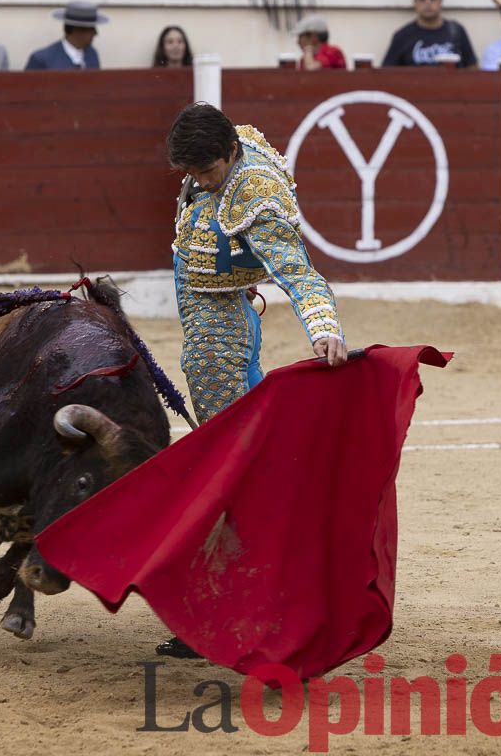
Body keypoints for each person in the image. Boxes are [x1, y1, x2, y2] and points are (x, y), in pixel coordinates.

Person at [159, 102, 347, 658]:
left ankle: (232, 610)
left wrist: (324, 328)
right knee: (241, 459)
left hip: (218, 324)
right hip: (218, 304)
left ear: (231, 155)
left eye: (208, 173)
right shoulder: (224, 145)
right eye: (190, 174)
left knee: (230, 472)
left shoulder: (256, 197)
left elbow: (301, 275)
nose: (199, 182)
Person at [381, 0, 477, 69]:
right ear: (415, 3)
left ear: (440, 1)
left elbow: (472, 70)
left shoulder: (457, 31)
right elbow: (386, 75)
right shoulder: (402, 36)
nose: (428, 2)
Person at [25, 1, 106, 70]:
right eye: (91, 29)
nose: (95, 33)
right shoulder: (42, 59)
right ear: (76, 30)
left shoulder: (92, 55)